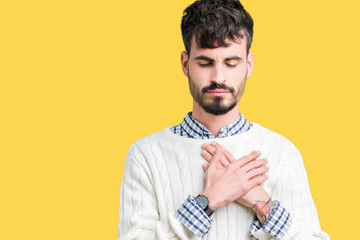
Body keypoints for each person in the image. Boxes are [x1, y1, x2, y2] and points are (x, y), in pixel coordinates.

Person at [118, 0, 330, 239]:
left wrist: (261, 203)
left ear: (248, 65)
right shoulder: (146, 155)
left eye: (231, 63)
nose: (218, 77)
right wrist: (210, 200)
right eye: (206, 62)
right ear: (186, 64)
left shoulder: (282, 152)